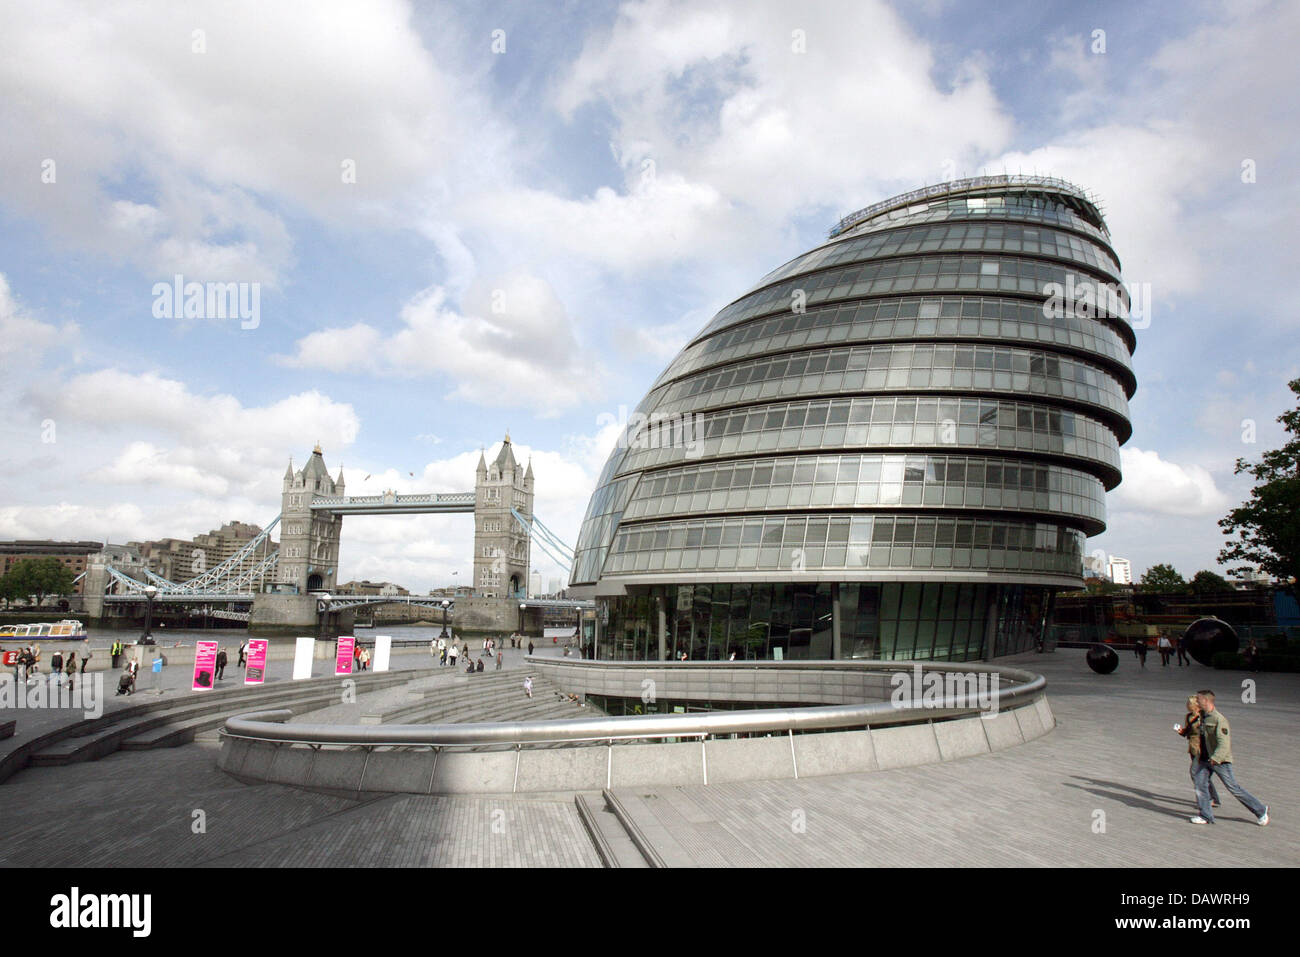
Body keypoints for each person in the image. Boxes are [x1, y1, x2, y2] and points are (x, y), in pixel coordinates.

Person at [1190, 689, 1268, 826]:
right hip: (1204, 759)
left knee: (1234, 788)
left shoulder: (1219, 719)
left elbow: (1224, 744)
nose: (1196, 701)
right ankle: (1205, 815)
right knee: (1200, 785)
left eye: (1199, 699)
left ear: (1206, 701)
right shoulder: (1203, 715)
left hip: (1219, 761)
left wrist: (1215, 759)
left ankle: (1261, 810)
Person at [1176, 695, 1220, 809]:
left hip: (1202, 749)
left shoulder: (1203, 717)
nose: (1187, 706)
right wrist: (1181, 731)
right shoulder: (1188, 717)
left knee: (1197, 773)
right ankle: (1212, 798)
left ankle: (1208, 799)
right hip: (1193, 748)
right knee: (1201, 774)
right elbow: (1187, 732)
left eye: (1189, 704)